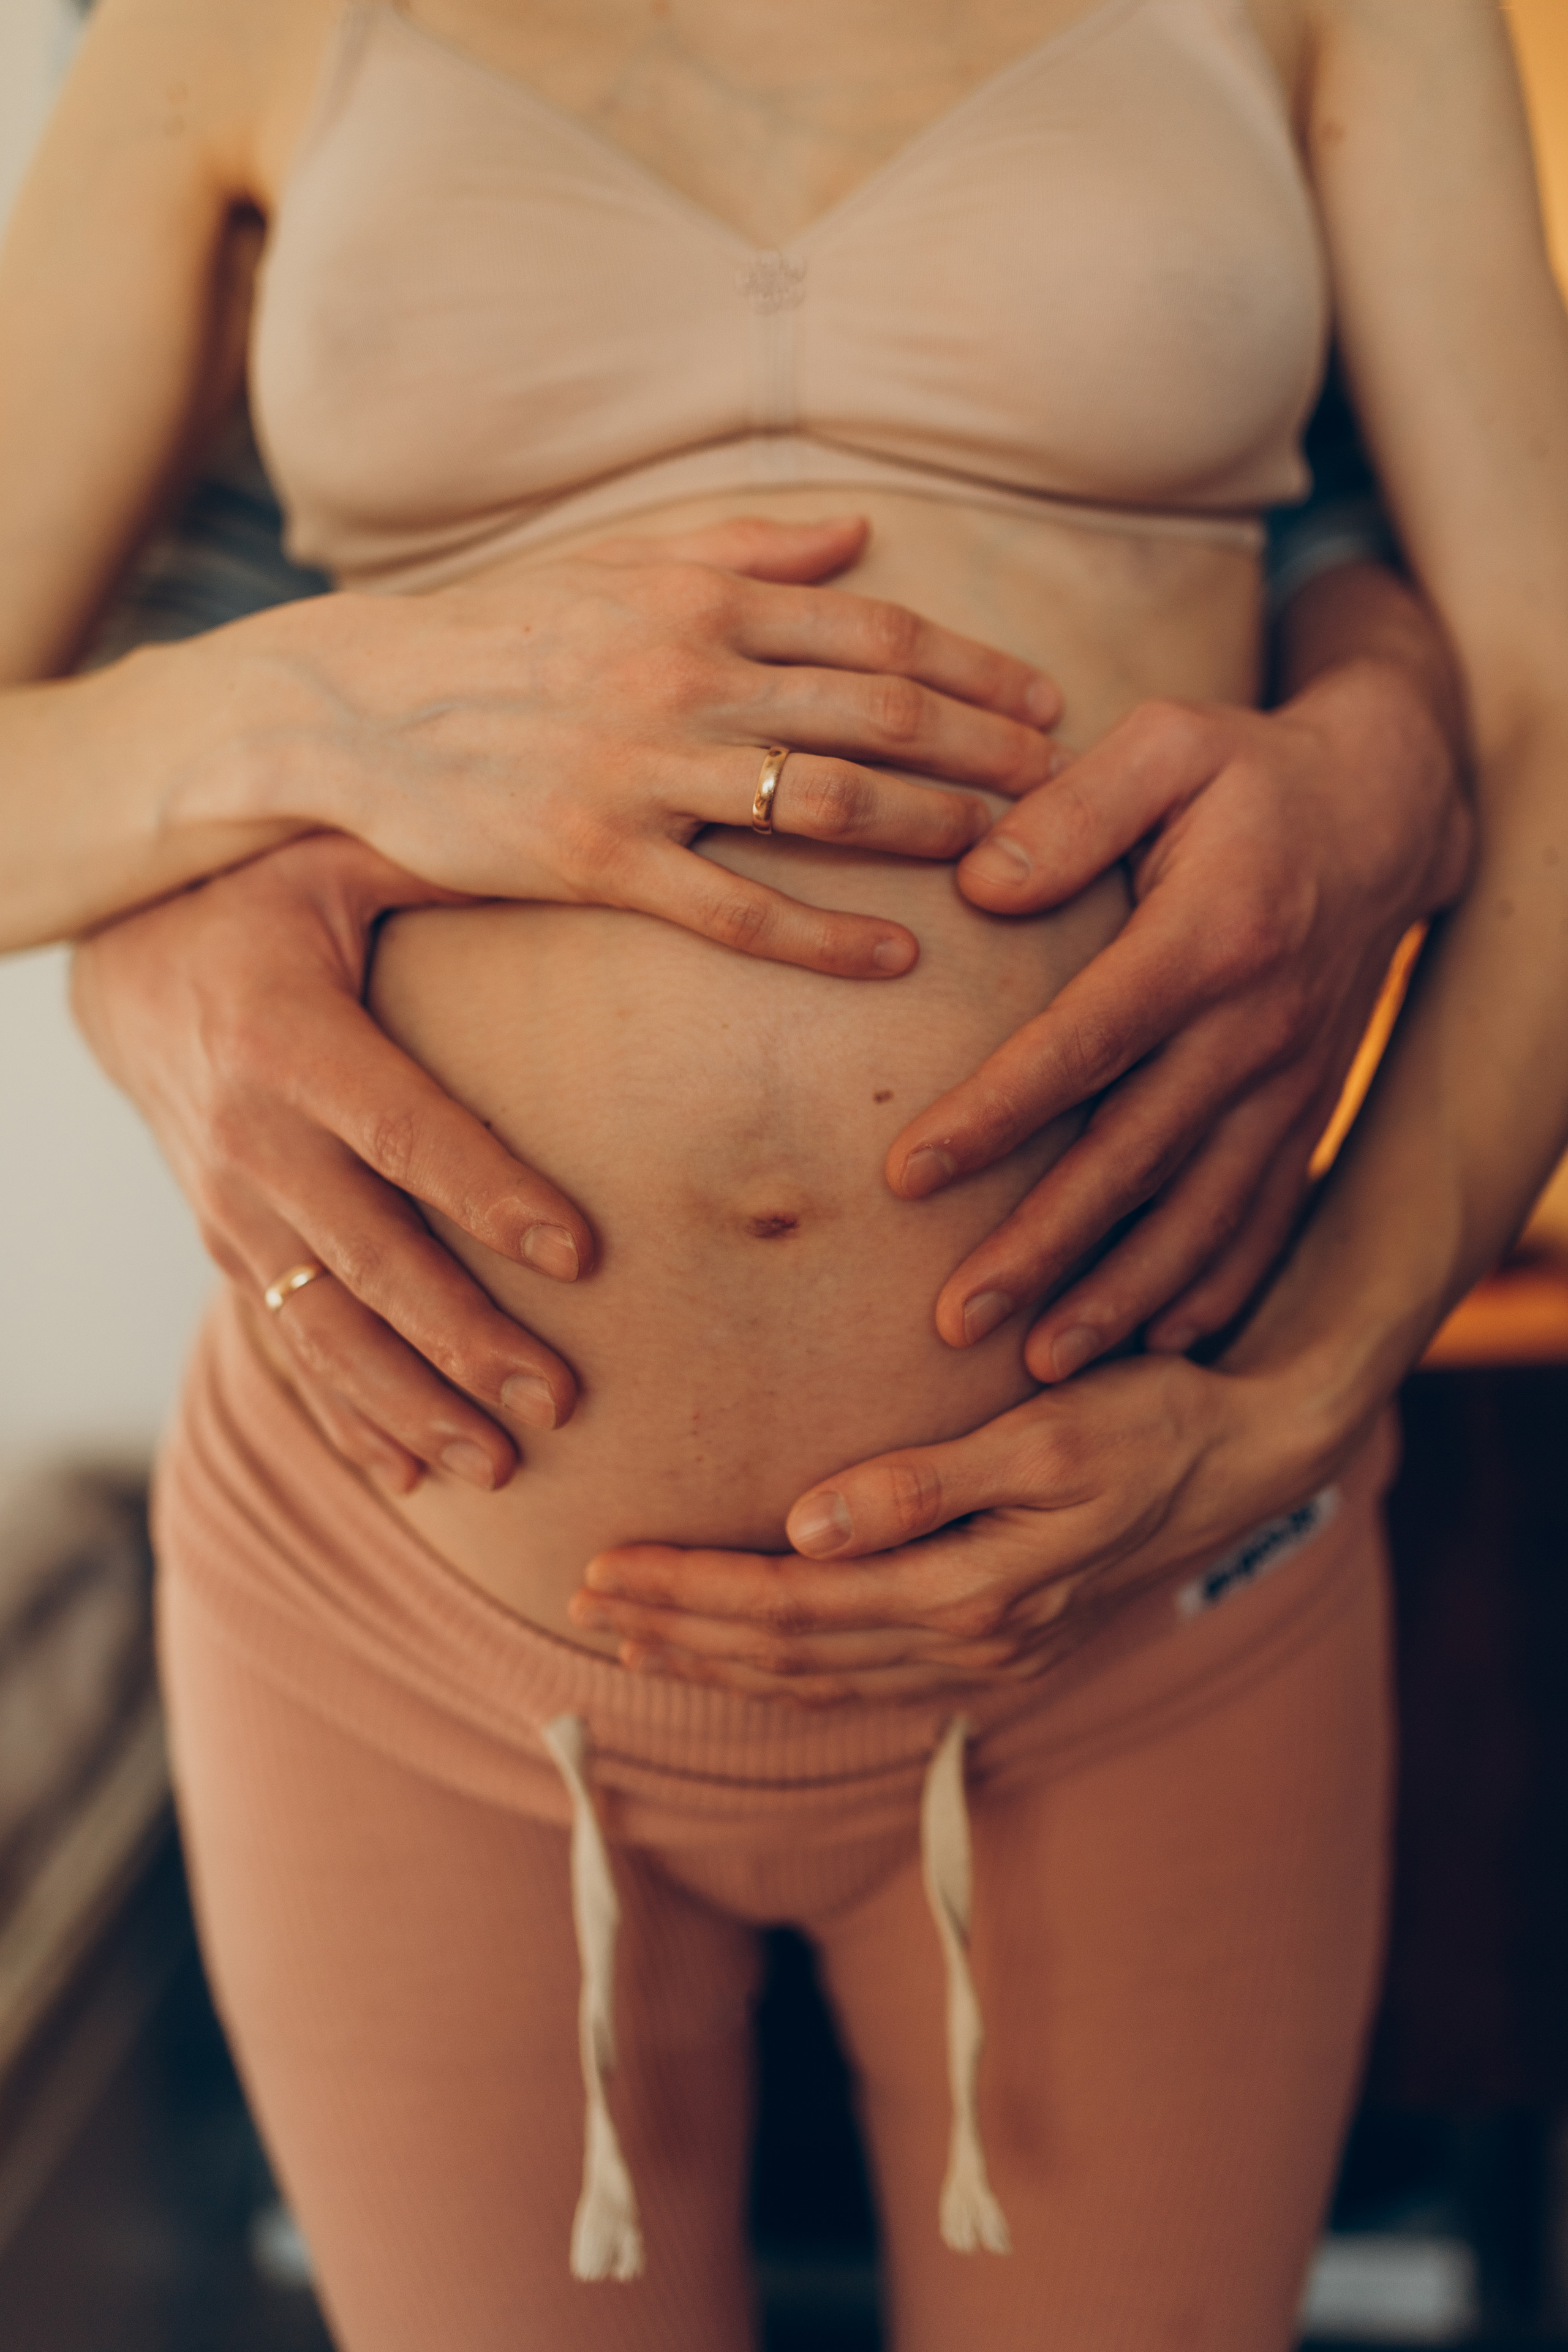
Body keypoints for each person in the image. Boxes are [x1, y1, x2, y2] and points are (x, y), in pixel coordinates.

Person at [6, 2, 1567, 2346]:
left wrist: (1305, 1390)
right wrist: (299, 713)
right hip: (396, 1595)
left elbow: (1548, 702)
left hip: (1144, 1581)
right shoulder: (221, 26)